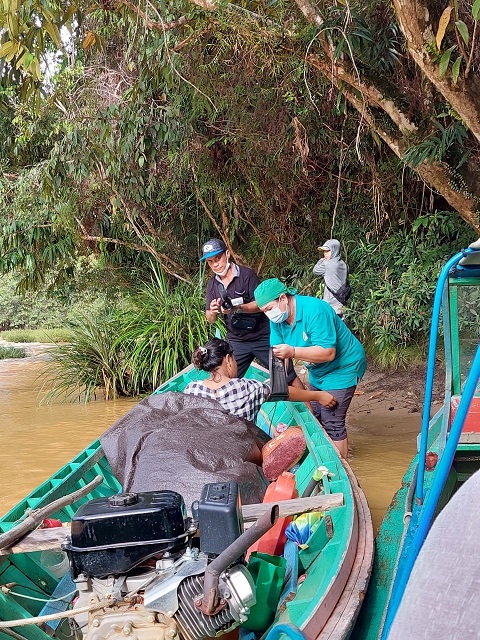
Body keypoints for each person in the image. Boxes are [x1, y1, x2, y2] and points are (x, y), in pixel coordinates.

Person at [254, 278, 366, 458]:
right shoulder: (277, 320)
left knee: (332, 419)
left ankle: (341, 465)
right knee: (316, 416)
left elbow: (328, 352)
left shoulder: (315, 310)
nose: (268, 315)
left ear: (283, 298)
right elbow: (278, 355)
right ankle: (332, 453)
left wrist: (292, 351)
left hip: (343, 365)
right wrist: (278, 384)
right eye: (264, 311)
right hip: (317, 369)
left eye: (269, 308)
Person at [200, 238, 302, 387]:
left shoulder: (247, 275)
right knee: (226, 380)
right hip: (237, 340)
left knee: (287, 376)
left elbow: (261, 304)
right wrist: (213, 311)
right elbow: (210, 318)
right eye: (210, 261)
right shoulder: (212, 285)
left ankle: (310, 410)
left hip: (263, 335)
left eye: (218, 258)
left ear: (227, 254)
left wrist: (239, 307)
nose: (215, 264)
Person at [183, 338, 337, 423]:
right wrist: (318, 395)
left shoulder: (191, 390)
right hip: (242, 451)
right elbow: (284, 392)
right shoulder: (248, 388)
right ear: (228, 359)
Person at [313, 239, 348, 317]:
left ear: (334, 250)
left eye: (328, 251)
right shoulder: (343, 264)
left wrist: (321, 260)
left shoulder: (327, 264)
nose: (325, 254)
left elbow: (315, 271)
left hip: (330, 305)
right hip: (341, 302)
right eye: (324, 251)